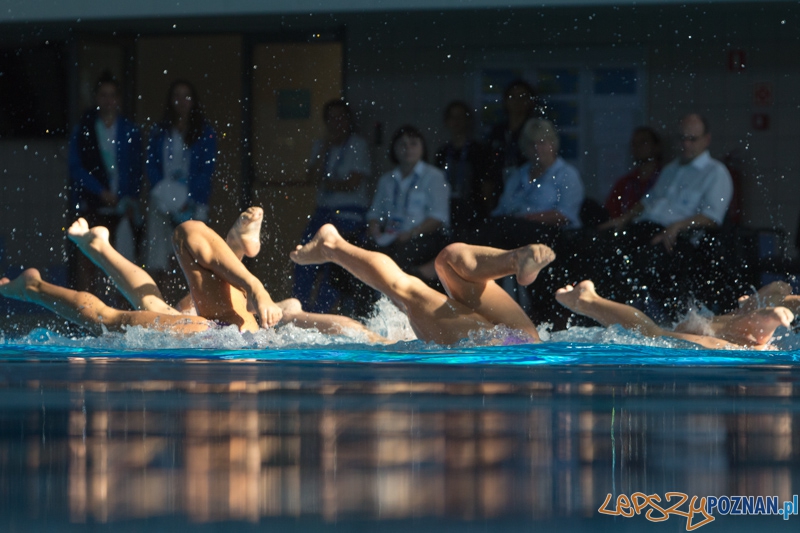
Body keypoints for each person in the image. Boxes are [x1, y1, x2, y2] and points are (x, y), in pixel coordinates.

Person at [0, 211, 385, 343]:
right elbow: (189, 231)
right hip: (232, 328)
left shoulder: (222, 327)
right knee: (117, 317)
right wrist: (257, 288)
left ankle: (94, 249)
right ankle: (34, 285)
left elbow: (352, 332)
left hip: (232, 329)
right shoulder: (224, 326)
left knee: (153, 306)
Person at [290, 224, 554, 345]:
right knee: (405, 291)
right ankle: (332, 246)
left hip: (525, 339)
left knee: (449, 260)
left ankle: (513, 260)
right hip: (502, 348)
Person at [293, 99, 372, 313]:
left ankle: (321, 312)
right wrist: (325, 150)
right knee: (303, 258)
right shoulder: (321, 144)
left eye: (341, 117)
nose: (336, 123)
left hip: (349, 214)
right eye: (331, 118)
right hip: (323, 213)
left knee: (334, 263)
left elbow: (352, 183)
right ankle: (299, 307)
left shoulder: (358, 144)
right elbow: (311, 178)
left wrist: (328, 182)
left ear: (348, 120)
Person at [555, 280, 793, 350]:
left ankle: (760, 309)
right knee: (653, 335)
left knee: (658, 335)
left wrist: (769, 312)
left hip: (721, 328)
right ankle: (589, 300)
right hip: (739, 331)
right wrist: (772, 314)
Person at [68, 71, 143, 291]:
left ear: (118, 100)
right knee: (88, 261)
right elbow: (76, 168)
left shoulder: (130, 130)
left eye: (112, 96)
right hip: (93, 202)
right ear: (96, 98)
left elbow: (136, 170)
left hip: (121, 205)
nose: (108, 101)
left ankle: (123, 314)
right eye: (103, 95)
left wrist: (130, 199)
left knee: (123, 263)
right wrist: (100, 192)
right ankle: (88, 312)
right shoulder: (84, 130)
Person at [146, 79, 217, 298]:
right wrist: (168, 198)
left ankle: (194, 305)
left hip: (193, 203)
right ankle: (164, 305)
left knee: (193, 258)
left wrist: (188, 201)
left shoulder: (205, 132)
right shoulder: (160, 132)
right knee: (160, 258)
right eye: (177, 96)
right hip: (162, 201)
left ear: (194, 101)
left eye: (187, 96)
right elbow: (151, 167)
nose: (182, 101)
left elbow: (207, 170)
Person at [483, 117, 585, 249]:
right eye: (532, 144)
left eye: (542, 143)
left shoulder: (567, 175)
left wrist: (525, 219)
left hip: (553, 239)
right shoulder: (518, 175)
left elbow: (565, 215)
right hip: (512, 236)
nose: (537, 148)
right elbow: (502, 209)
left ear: (553, 144)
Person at [367, 125, 450, 280]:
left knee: (398, 257)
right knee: (360, 252)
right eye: (402, 144)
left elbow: (438, 217)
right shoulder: (386, 180)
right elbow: (375, 213)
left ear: (422, 147)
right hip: (389, 235)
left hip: (421, 237)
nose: (408, 149)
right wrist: (375, 229)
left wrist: (411, 233)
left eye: (413, 143)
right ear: (394, 149)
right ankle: (365, 302)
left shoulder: (434, 177)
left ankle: (395, 301)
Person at [433, 101, 492, 234]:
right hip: (446, 208)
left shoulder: (479, 151)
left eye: (461, 117)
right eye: (452, 117)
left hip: (473, 210)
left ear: (468, 120)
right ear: (447, 122)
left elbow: (487, 186)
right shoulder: (442, 152)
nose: (456, 121)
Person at [485, 79, 543, 186]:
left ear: (530, 101)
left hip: (528, 187)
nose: (517, 101)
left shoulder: (536, 130)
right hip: (500, 187)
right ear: (505, 100)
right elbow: (489, 163)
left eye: (522, 97)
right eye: (513, 97)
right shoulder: (498, 131)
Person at [603, 126, 664, 219]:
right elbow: (610, 214)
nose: (638, 147)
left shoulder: (665, 178)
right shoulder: (624, 183)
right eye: (634, 144)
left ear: (656, 146)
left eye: (643, 142)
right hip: (628, 230)